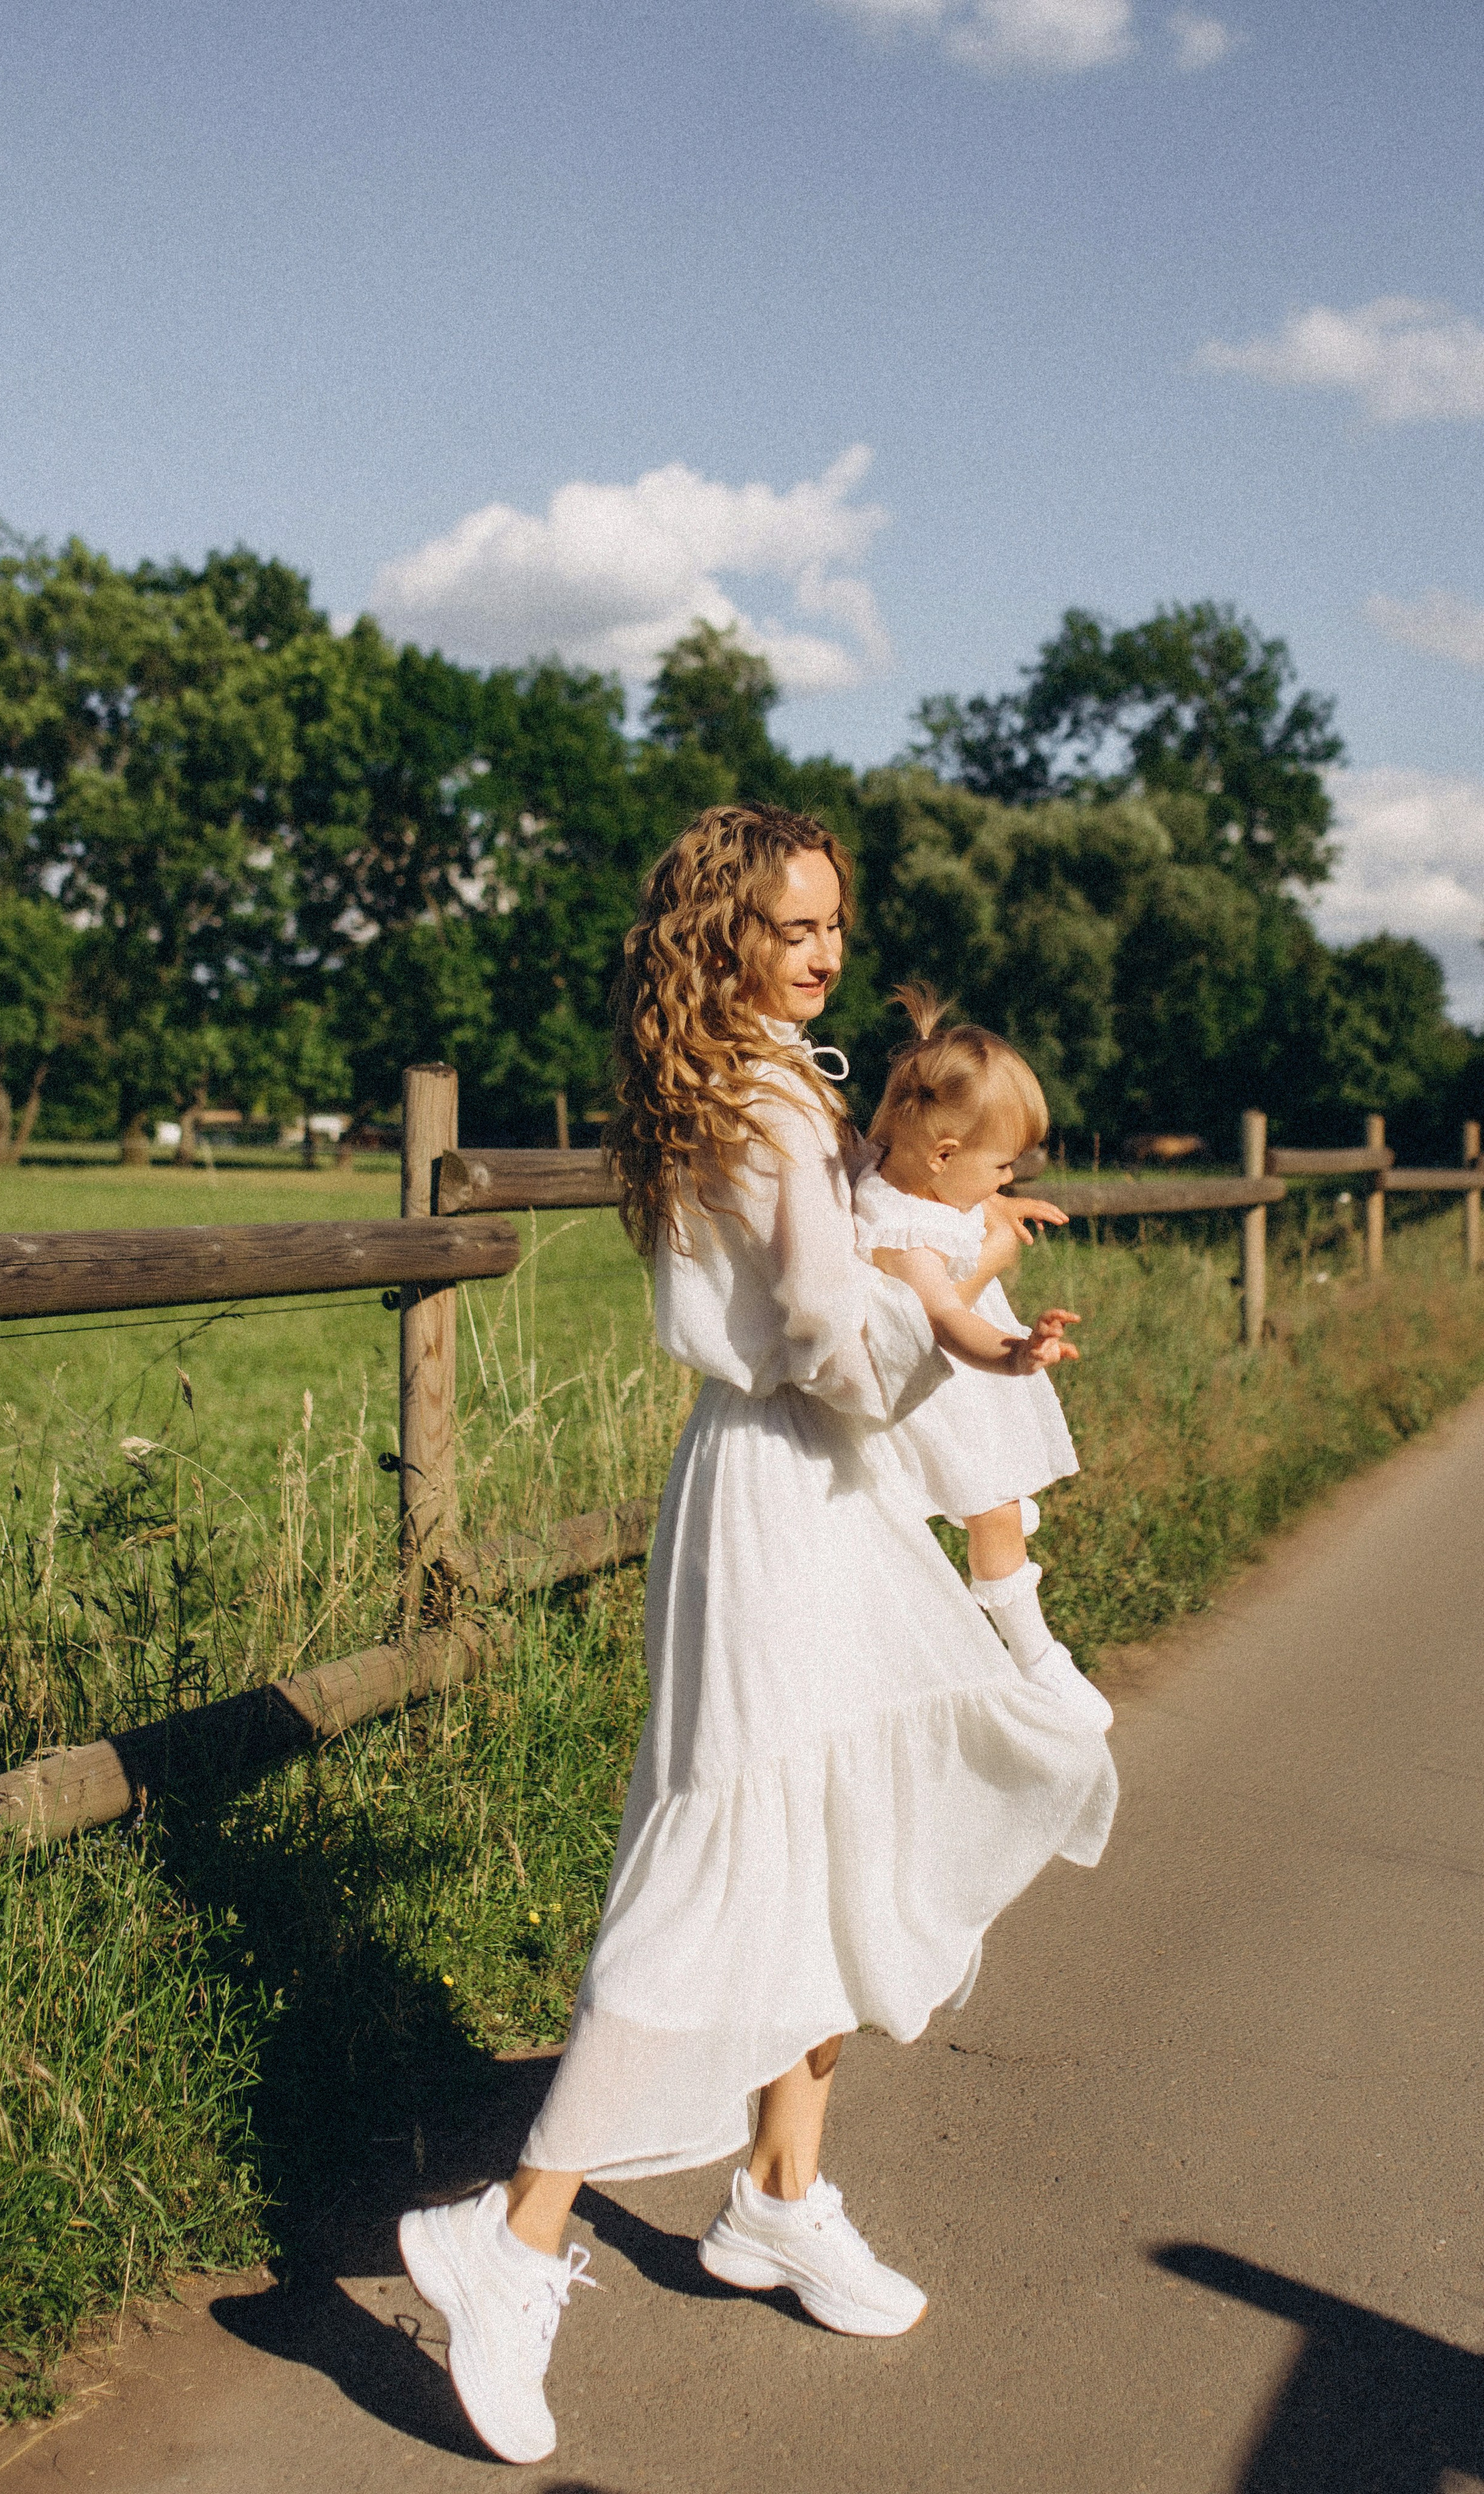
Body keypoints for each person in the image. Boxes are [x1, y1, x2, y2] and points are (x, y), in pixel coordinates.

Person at [399, 805, 1119, 2465]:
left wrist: (938, 1304)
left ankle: (777, 2191)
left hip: (801, 1486)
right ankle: (509, 2237)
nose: (820, 952)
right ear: (717, 935)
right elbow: (820, 1339)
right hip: (788, 1482)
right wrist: (959, 1294)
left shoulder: (739, 1080)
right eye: (790, 926)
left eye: (832, 928)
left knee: (843, 1825)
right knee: (722, 1851)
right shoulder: (765, 1099)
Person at [852, 984, 1087, 1697]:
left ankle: (986, 1646)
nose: (1007, 1177)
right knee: (994, 1506)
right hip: (942, 1393)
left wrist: (1000, 1203)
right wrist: (1014, 1353)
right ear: (944, 1154)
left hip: (959, 1386)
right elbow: (947, 1322)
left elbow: (969, 1192)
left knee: (992, 1507)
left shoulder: (915, 1175)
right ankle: (1030, 1652)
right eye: (1002, 1166)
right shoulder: (906, 1237)